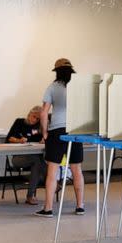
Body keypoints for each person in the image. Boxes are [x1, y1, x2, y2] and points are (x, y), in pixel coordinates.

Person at [34, 58, 85, 217]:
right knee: (76, 169)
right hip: (74, 130)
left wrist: (45, 133)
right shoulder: (78, 87)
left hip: (57, 132)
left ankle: (48, 208)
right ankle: (80, 206)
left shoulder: (52, 87)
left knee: (52, 171)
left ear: (56, 72)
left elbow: (43, 112)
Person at [6, 106, 46, 205]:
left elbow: (43, 139)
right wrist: (19, 140)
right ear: (29, 114)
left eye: (38, 119)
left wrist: (43, 139)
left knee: (38, 161)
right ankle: (52, 182)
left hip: (34, 158)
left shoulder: (39, 126)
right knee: (38, 161)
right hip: (18, 158)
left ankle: (30, 196)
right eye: (34, 117)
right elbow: (9, 138)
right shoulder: (19, 122)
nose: (35, 120)